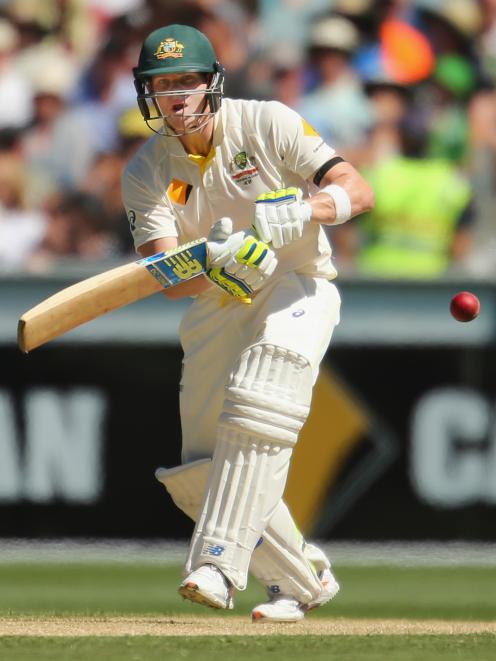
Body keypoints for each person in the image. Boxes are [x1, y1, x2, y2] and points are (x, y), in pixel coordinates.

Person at [121, 24, 373, 623]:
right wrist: (215, 263)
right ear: (146, 93)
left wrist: (303, 208)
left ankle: (218, 565)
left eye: (186, 82)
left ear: (212, 84)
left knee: (258, 397)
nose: (175, 97)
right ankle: (300, 579)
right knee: (197, 473)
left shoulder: (267, 122)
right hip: (217, 303)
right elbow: (168, 276)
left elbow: (356, 190)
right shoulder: (146, 170)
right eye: (161, 85)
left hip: (299, 285)